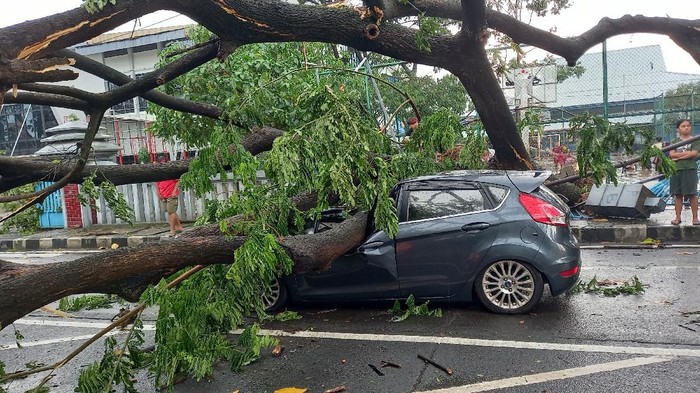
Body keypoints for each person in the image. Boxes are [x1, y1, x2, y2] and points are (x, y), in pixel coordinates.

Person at [668, 119, 700, 226]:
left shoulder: (695, 140)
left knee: (692, 194)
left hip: (690, 169)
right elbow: (672, 154)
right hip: (676, 169)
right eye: (683, 126)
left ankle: (695, 218)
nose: (686, 128)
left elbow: (694, 153)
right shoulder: (674, 141)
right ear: (678, 129)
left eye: (688, 126)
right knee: (678, 195)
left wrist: (679, 156)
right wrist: (688, 154)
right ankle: (677, 218)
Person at [156, 156, 184, 236]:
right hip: (163, 194)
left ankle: (172, 230)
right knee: (170, 211)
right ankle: (178, 226)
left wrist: (174, 191)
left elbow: (178, 181)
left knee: (171, 211)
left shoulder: (171, 171)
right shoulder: (157, 172)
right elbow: (157, 183)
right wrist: (158, 192)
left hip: (171, 194)